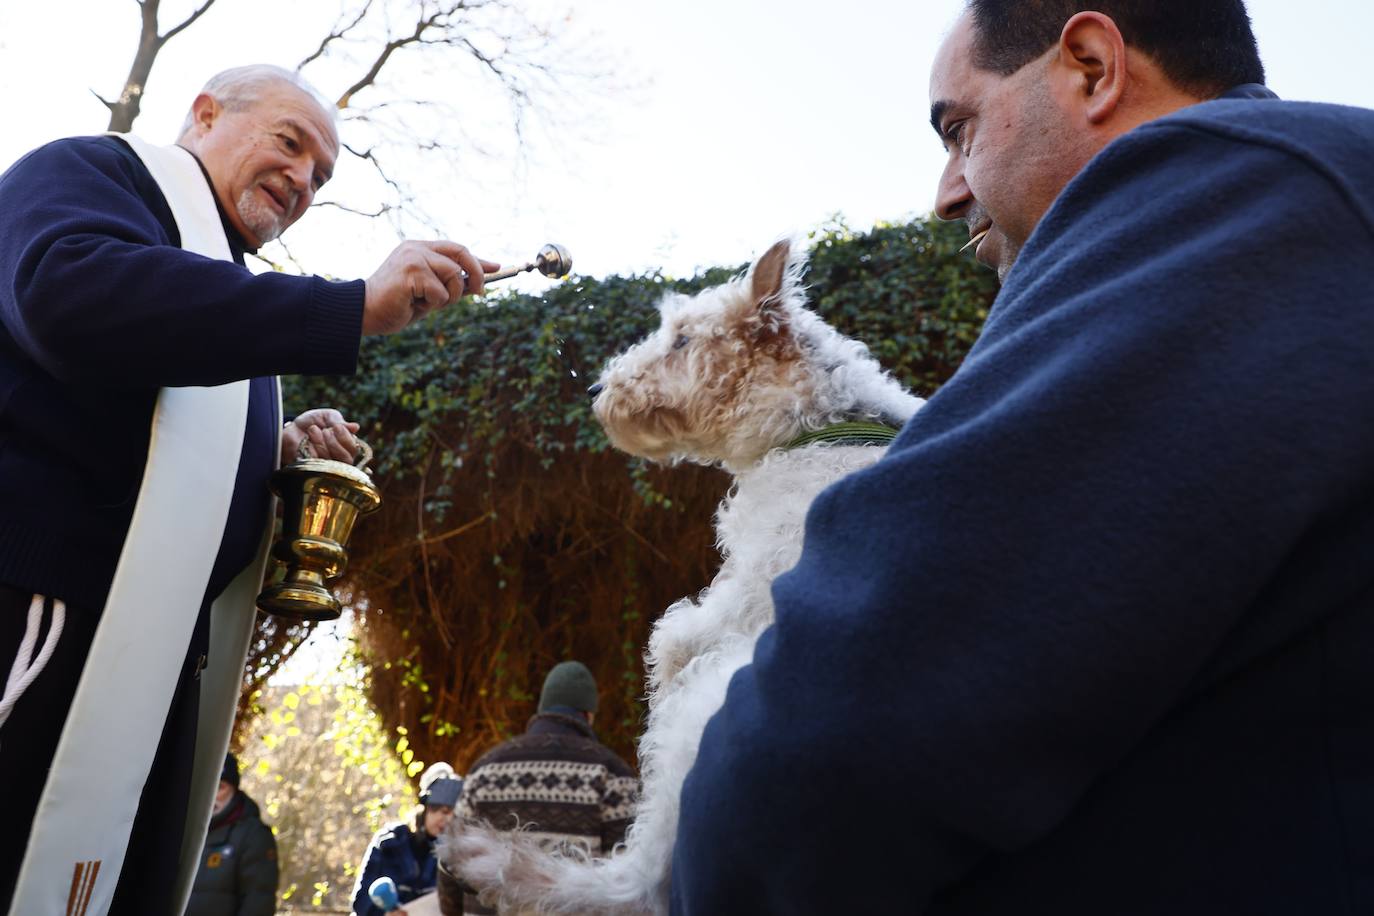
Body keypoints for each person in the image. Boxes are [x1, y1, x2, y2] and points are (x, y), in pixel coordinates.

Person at [671, 1, 1374, 913]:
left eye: (957, 128)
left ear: (1091, 65)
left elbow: (835, 742)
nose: (947, 192)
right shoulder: (1295, 212)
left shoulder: (1233, 194)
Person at [0, 63, 498, 915]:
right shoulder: (92, 171)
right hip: (48, 614)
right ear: (202, 115)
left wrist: (270, 441)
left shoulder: (213, 278)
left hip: (153, 659)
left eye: (322, 174)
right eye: (290, 142)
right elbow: (65, 296)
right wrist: (350, 308)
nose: (304, 178)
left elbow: (149, 410)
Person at [451, 661, 640, 915]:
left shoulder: (484, 770)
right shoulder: (612, 774)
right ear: (588, 714)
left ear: (543, 708)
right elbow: (626, 883)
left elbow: (453, 860)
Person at [351, 762, 464, 916]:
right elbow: (361, 901)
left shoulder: (457, 856)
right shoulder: (389, 842)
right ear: (425, 809)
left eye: (454, 815)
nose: (447, 819)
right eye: (442, 811)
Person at [187, 754, 278, 916]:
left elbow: (258, 902)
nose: (212, 796)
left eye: (220, 787)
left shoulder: (253, 835)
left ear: (234, 789)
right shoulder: (190, 830)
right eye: (209, 787)